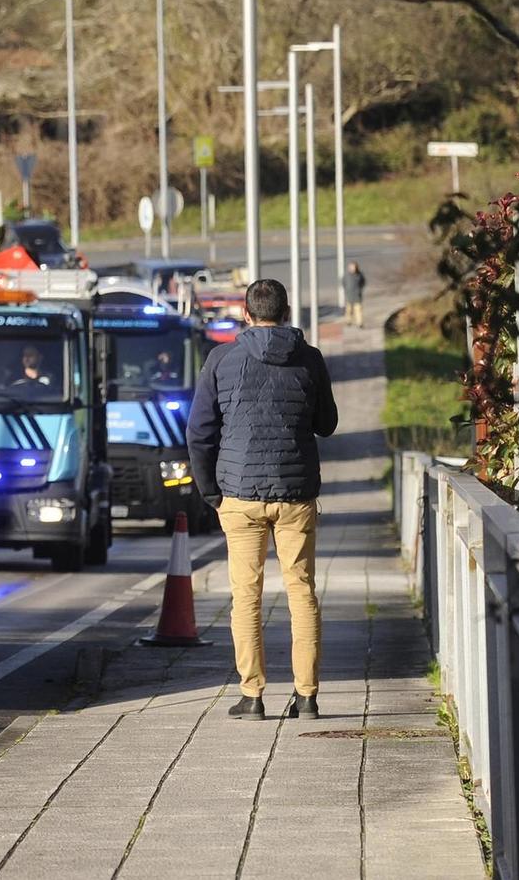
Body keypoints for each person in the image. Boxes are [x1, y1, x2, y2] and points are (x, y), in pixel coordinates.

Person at [186, 278, 340, 722]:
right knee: (302, 592)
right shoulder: (310, 360)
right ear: (287, 312)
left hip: (238, 495)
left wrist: (209, 490)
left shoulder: (221, 358)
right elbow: (326, 424)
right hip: (296, 495)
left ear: (246, 315)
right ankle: (307, 696)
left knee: (246, 595)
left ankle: (252, 696)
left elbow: (199, 432)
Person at [342, 262, 367, 328]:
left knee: (358, 310)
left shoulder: (360, 275)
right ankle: (348, 321)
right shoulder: (346, 275)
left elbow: (363, 282)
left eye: (354, 267)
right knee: (349, 310)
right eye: (351, 267)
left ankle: (359, 323)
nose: (352, 269)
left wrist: (359, 290)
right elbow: (343, 283)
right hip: (349, 295)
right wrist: (347, 291)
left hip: (357, 295)